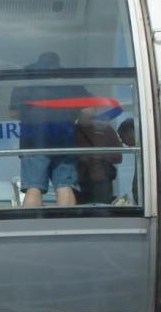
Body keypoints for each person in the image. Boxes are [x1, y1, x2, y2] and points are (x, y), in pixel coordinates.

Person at [9, 52, 87, 208]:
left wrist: (31, 115)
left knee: (34, 187)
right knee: (64, 185)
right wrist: (73, 116)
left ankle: (32, 229)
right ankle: (66, 226)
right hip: (64, 139)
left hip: (34, 140)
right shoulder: (69, 78)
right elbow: (89, 109)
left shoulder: (26, 76)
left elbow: (14, 113)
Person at [75, 107, 124, 204]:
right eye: (84, 114)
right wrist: (83, 156)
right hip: (78, 180)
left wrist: (101, 155)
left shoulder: (106, 130)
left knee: (103, 209)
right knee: (79, 212)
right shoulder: (72, 131)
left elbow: (119, 156)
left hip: (101, 179)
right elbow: (63, 156)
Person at [117, 117, 139, 204]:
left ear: (129, 131)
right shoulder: (139, 149)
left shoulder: (144, 148)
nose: (122, 142)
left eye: (122, 136)